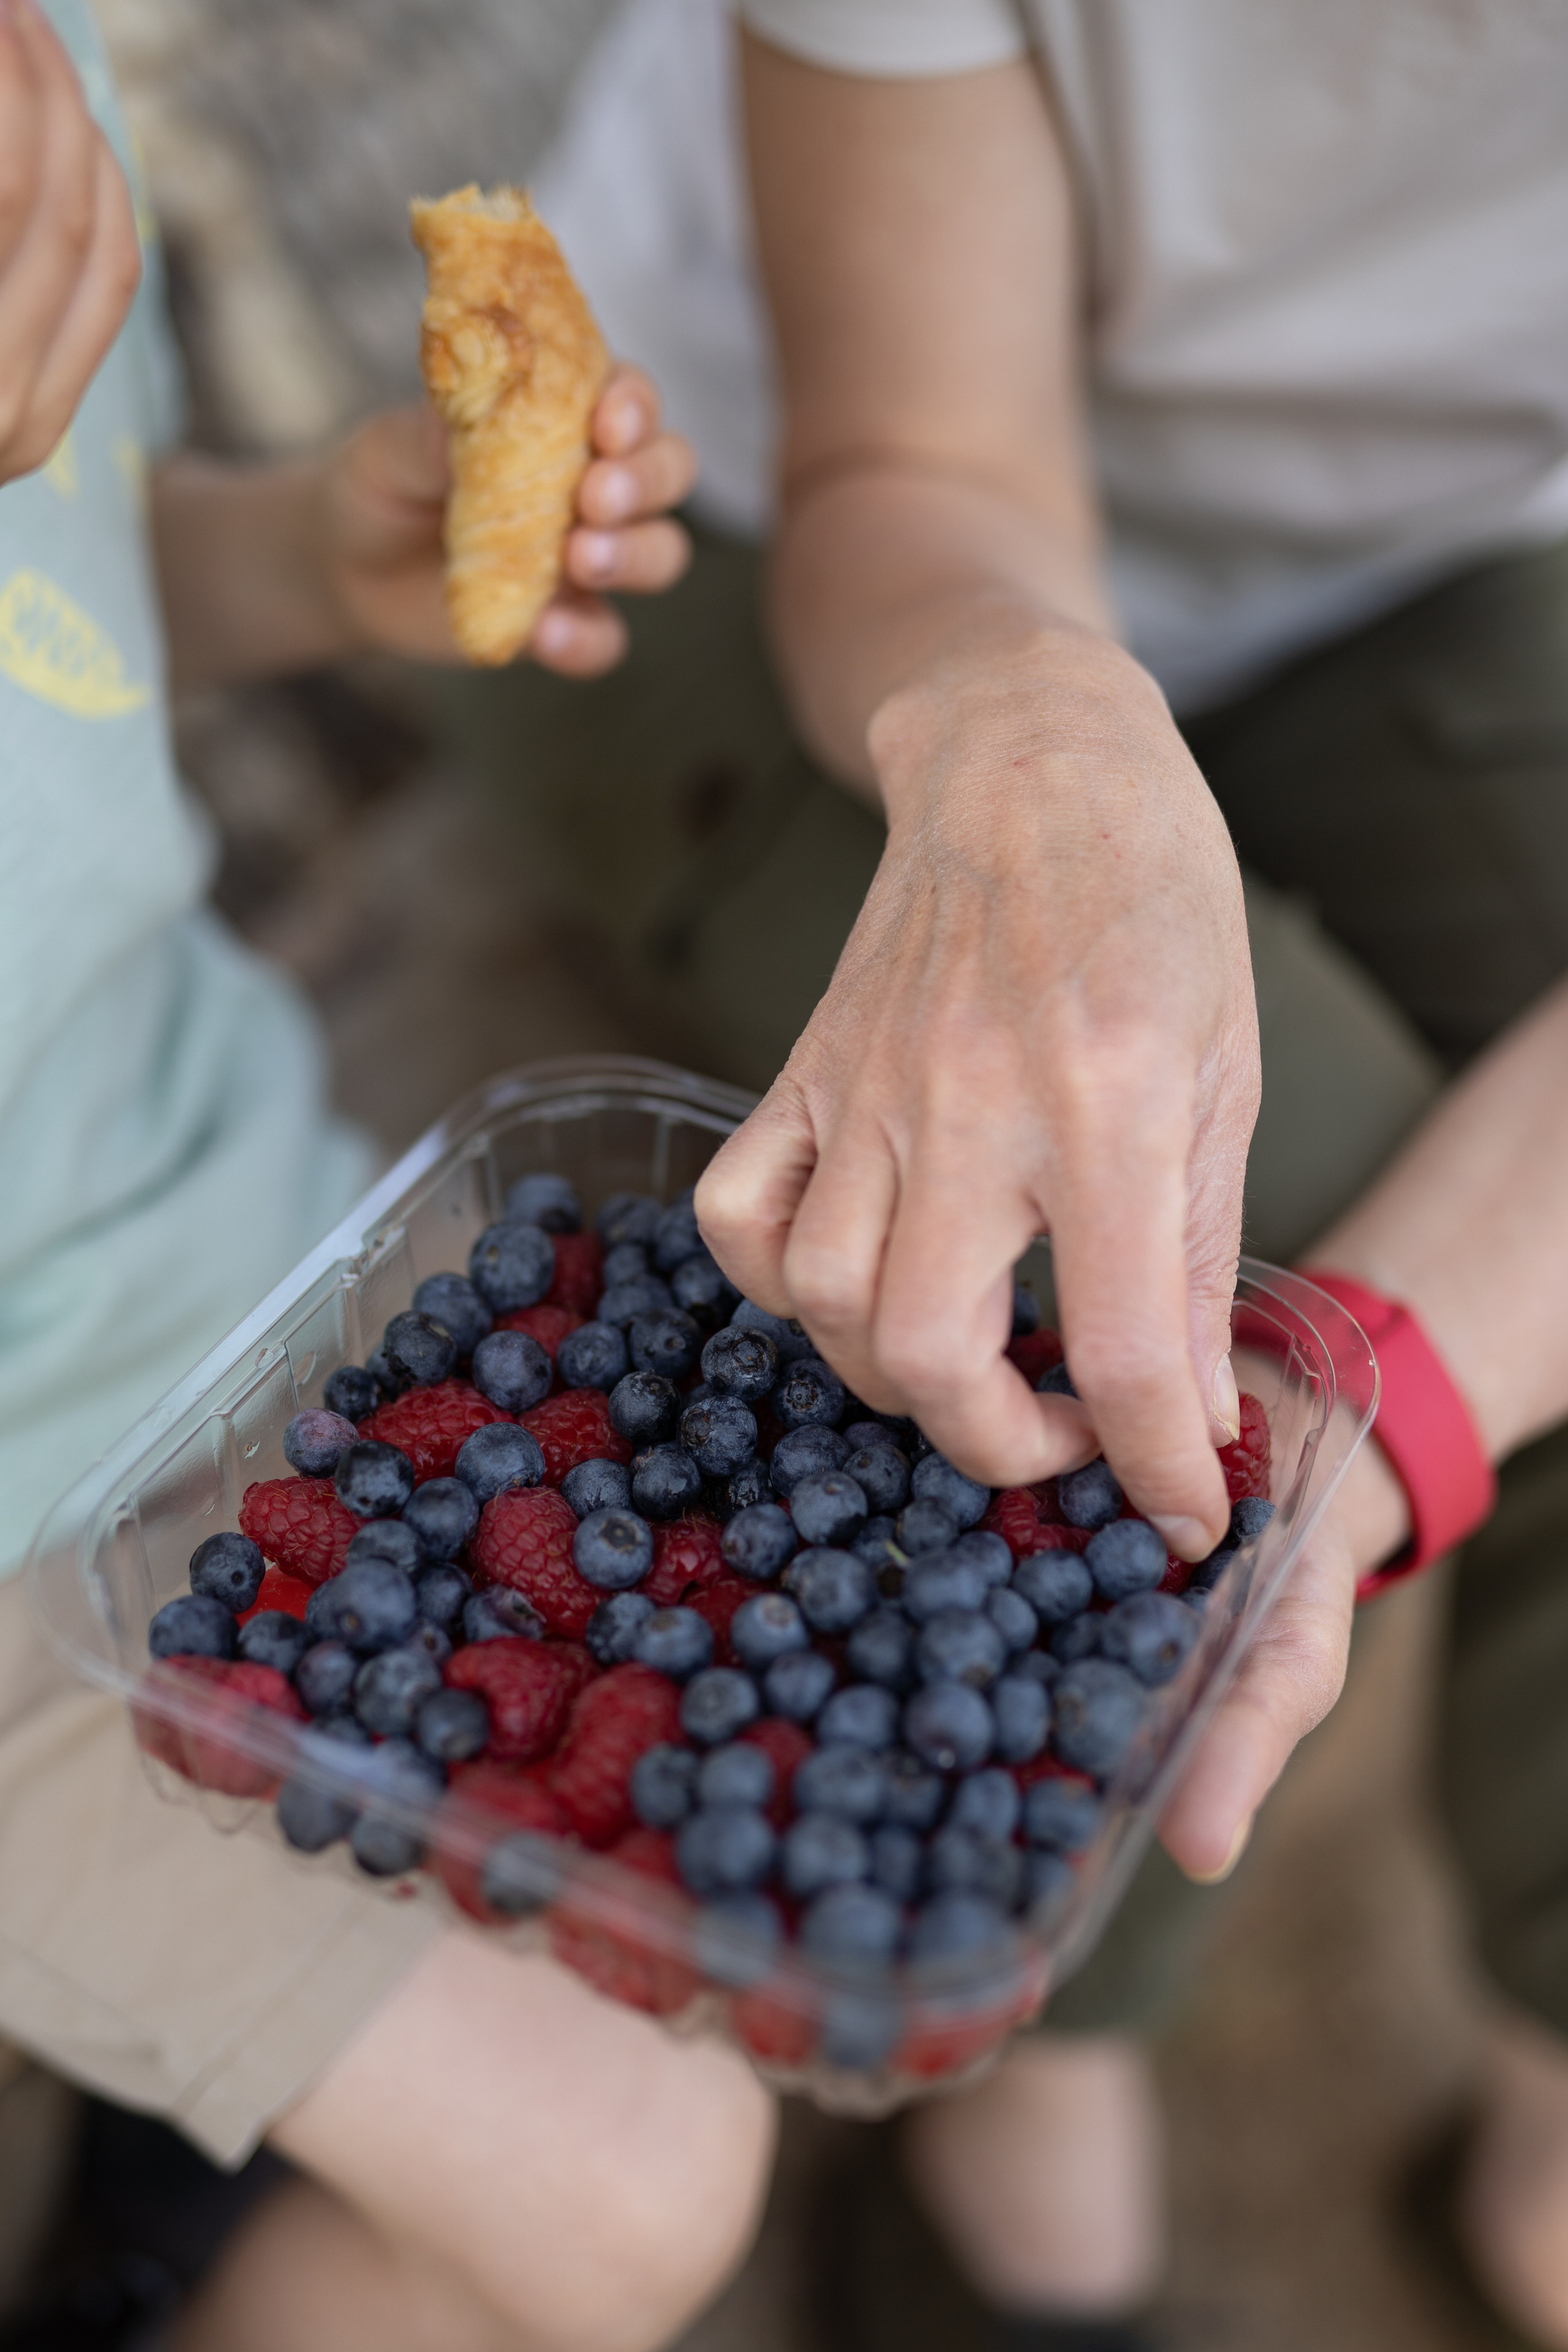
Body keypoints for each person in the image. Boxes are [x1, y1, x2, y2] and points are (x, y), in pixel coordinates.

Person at [447, 4, 1568, 2345]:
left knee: (1309, 1375)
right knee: (1169, 1247)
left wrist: (1412, 1397)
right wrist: (1034, 719)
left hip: (1435, 566)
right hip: (762, 500)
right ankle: (1026, 2056)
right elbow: (914, 451)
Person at [0, 7, 788, 2351]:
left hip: (242, 1248)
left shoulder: (43, 116)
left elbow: (76, 610)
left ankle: (197, 2142)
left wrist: (307, 564)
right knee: (635, 2186)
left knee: (722, 1801)